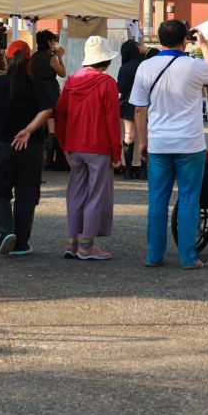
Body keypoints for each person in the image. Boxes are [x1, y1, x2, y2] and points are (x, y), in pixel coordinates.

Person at [131, 19, 208, 270]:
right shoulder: (193, 66)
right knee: (188, 199)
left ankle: (154, 255)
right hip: (190, 143)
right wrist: (204, 46)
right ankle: (188, 256)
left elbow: (140, 110)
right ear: (186, 39)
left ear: (159, 39)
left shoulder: (146, 67)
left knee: (157, 200)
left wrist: (143, 141)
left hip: (159, 143)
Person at [0, 40, 60, 255]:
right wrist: (28, 129)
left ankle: (7, 231)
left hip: (2, 146)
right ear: (29, 61)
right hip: (32, 147)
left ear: (6, 59)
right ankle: (22, 243)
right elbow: (47, 110)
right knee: (27, 194)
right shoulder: (38, 83)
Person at [55, 35, 120, 260]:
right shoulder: (107, 83)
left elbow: (60, 114)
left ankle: (71, 241)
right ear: (106, 60)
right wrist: (117, 153)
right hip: (99, 146)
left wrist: (63, 144)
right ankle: (87, 245)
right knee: (96, 194)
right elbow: (113, 121)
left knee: (76, 193)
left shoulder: (71, 80)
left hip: (74, 145)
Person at [115, 40, 147, 175]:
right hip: (144, 102)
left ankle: (128, 169)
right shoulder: (145, 65)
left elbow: (120, 87)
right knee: (144, 135)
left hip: (127, 104)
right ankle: (143, 170)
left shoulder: (125, 67)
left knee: (129, 135)